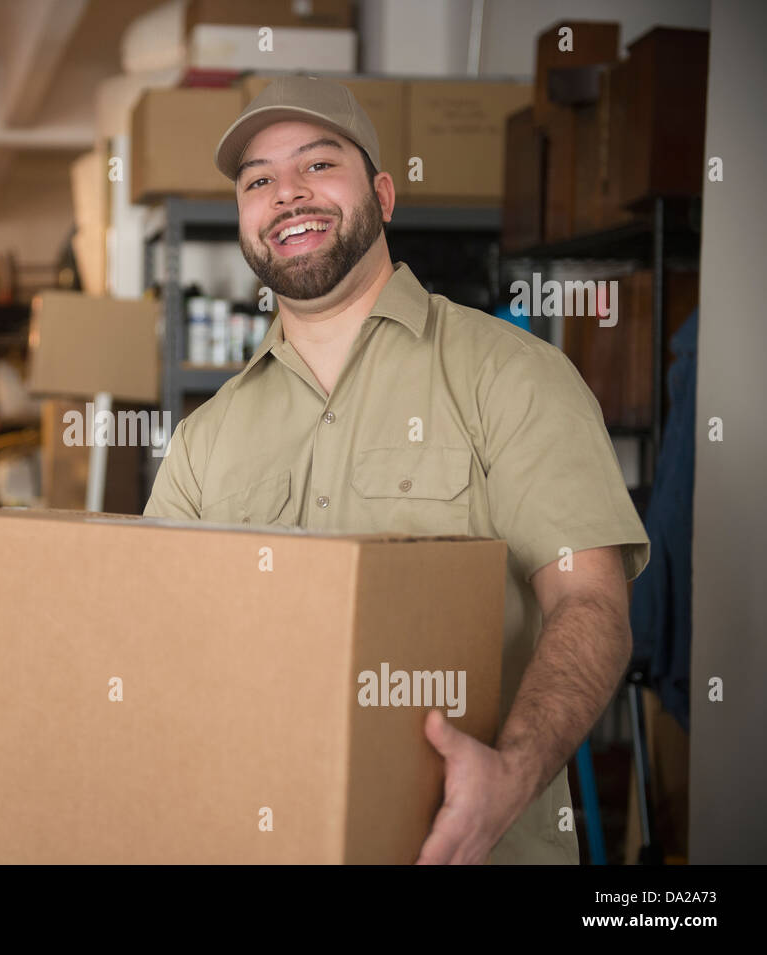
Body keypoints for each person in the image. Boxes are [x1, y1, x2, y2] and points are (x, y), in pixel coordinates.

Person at [143, 76, 650, 864]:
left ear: (381, 192)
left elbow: (590, 602)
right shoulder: (205, 440)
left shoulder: (508, 374)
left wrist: (511, 773)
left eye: (318, 165)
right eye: (258, 180)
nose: (287, 195)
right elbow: (155, 641)